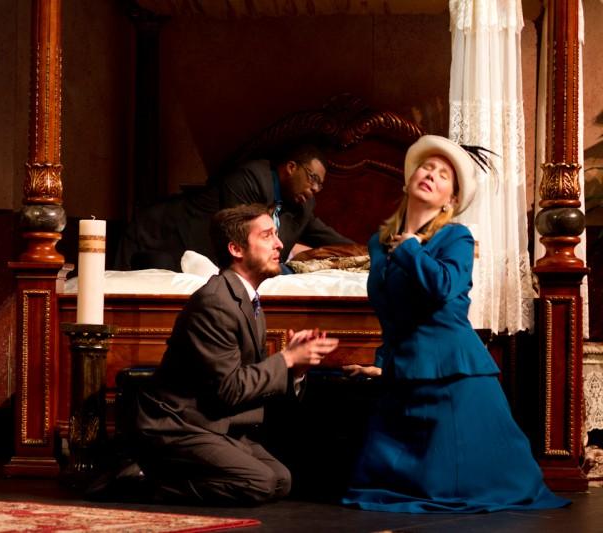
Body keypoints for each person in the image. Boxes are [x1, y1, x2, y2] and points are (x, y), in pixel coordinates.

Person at [339, 135, 570, 513]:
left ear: (451, 200)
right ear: (408, 179)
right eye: (426, 167)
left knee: (460, 488)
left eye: (443, 175)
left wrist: (413, 247)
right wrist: (381, 364)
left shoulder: (456, 237)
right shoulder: (378, 244)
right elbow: (391, 314)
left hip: (451, 374)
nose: (430, 174)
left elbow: (444, 289)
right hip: (405, 374)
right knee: (370, 487)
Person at [133, 203, 339, 505]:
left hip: (219, 425)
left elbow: (246, 382)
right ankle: (142, 484)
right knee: (259, 482)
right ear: (236, 249)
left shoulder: (247, 300)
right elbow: (229, 389)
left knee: (281, 480)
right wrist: (286, 359)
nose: (279, 244)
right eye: (267, 235)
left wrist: (295, 369)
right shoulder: (216, 302)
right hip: (180, 426)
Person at [114, 145, 352, 271]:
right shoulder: (250, 179)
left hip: (194, 257)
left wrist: (368, 250)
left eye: (321, 184)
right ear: (291, 167)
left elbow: (324, 235)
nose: (316, 188)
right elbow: (244, 238)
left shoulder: (302, 205)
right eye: (313, 178)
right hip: (162, 234)